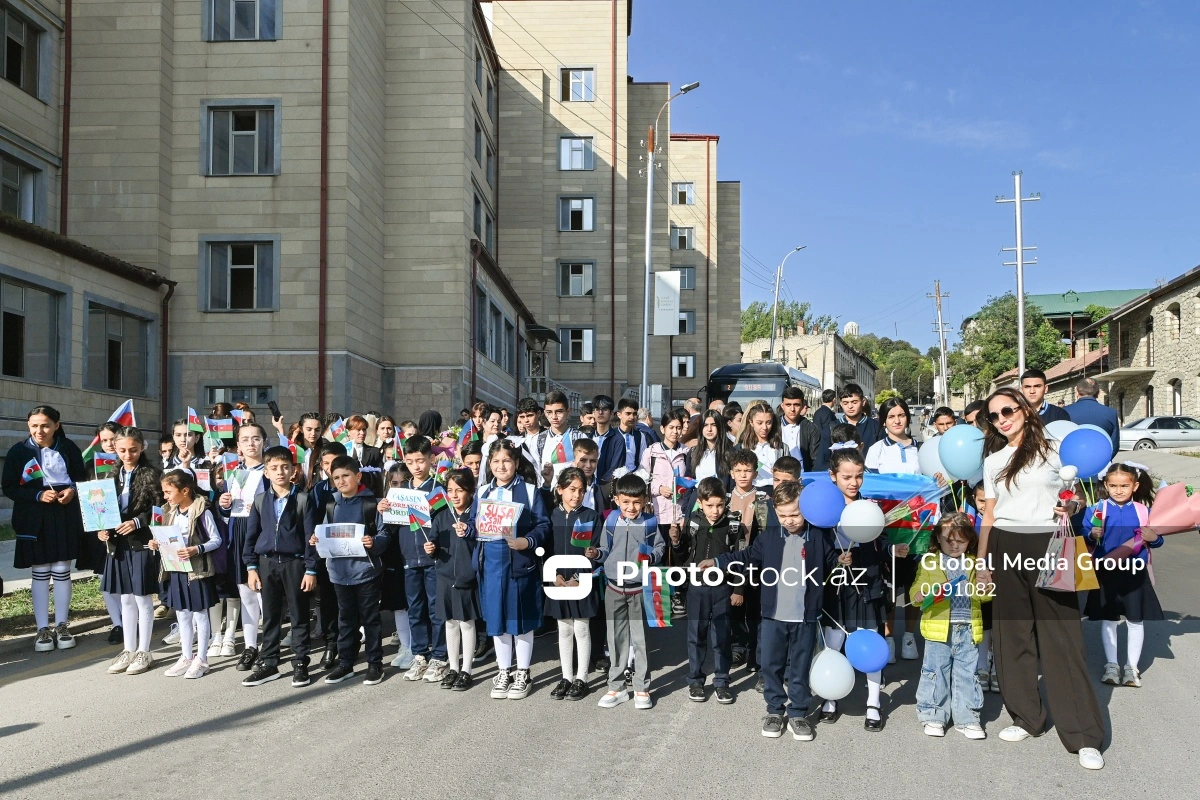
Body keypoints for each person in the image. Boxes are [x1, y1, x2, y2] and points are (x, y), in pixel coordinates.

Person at [978, 387, 1106, 770]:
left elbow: (1079, 495)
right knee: (1012, 637)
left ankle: (1084, 734)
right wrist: (982, 563)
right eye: (994, 416)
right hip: (1004, 545)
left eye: (1007, 410)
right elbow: (989, 515)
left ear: (1025, 408)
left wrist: (1072, 504)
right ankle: (1026, 717)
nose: (1002, 419)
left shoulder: (1055, 447)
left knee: (1062, 639)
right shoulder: (994, 459)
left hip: (1052, 543)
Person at [704, 480, 837, 741]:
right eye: (783, 514)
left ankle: (798, 712)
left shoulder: (819, 538)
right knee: (771, 665)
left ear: (806, 510)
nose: (789, 520)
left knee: (799, 667)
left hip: (805, 617)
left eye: (795, 514)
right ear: (775, 512)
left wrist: (843, 561)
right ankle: (775, 710)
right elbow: (745, 557)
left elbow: (832, 563)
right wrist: (718, 561)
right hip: (773, 616)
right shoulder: (768, 538)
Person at [821, 445, 906, 730]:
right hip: (837, 585)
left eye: (858, 476)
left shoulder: (870, 507)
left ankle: (873, 702)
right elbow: (818, 548)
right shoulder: (824, 509)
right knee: (833, 642)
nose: (854, 482)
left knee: (871, 641)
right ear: (833, 476)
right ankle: (829, 697)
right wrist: (835, 560)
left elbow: (879, 544)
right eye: (847, 477)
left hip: (868, 582)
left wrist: (893, 550)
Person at [3, 406, 87, 652]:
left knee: (62, 569)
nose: (40, 431)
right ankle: (42, 629)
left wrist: (72, 490)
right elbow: (9, 487)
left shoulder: (69, 448)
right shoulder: (19, 452)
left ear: (57, 425)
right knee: (40, 570)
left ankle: (62, 625)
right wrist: (38, 494)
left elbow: (81, 478)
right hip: (34, 517)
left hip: (64, 513)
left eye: (45, 425)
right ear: (28, 426)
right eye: (34, 426)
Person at [474, 439, 550, 700]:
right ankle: (504, 670)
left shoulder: (530, 491)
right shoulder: (483, 492)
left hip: (520, 561)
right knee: (497, 619)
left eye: (506, 460)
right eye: (495, 461)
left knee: (521, 618)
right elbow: (475, 525)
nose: (501, 465)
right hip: (492, 563)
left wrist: (526, 542)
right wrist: (467, 529)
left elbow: (543, 526)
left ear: (517, 463)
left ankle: (523, 671)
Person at [306, 455, 389, 685]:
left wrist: (374, 542)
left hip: (365, 572)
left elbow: (383, 535)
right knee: (345, 620)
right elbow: (324, 530)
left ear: (358, 476)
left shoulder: (372, 503)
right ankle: (346, 663)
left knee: (370, 620)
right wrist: (316, 539)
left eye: (346, 476)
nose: (341, 481)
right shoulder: (332, 505)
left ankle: (375, 663)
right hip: (339, 574)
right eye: (336, 478)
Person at [1082, 462, 1164, 688]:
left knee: (1135, 620)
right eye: (1113, 485)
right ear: (1105, 485)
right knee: (1109, 619)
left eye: (1124, 485)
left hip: (1134, 573)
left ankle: (1131, 667)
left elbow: (1158, 540)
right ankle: (1111, 665)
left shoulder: (1144, 512)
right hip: (1106, 572)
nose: (1119, 490)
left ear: (1135, 486)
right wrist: (1091, 535)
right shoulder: (1096, 510)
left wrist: (1153, 538)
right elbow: (1084, 539)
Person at [242, 446, 316, 688]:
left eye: (285, 466)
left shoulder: (303, 498)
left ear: (293, 469)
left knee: (299, 613)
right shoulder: (261, 500)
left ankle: (300, 662)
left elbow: (310, 537)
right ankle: (269, 662)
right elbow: (251, 537)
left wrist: (311, 569)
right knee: (271, 615)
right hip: (267, 563)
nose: (280, 472)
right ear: (266, 472)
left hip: (294, 563)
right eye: (274, 468)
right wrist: (252, 567)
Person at [913, 512, 991, 739]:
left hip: (967, 627)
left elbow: (983, 597)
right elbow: (917, 588)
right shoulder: (929, 562)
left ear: (970, 540)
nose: (955, 545)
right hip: (938, 628)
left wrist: (986, 589)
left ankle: (967, 718)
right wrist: (918, 594)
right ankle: (933, 715)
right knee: (935, 672)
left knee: (967, 673)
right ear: (938, 538)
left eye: (961, 540)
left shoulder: (975, 563)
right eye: (949, 540)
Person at [595, 473, 663, 710]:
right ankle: (616, 686)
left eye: (636, 502)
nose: (631, 507)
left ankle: (642, 688)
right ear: (616, 500)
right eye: (626, 502)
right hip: (613, 588)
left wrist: (652, 557)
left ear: (645, 500)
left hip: (638, 589)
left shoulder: (650, 523)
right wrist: (596, 555)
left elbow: (660, 547)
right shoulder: (611, 520)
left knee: (639, 640)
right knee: (615, 638)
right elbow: (605, 549)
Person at [100, 426, 163, 675]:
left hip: (142, 542)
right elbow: (101, 510)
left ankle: (144, 651)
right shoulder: (110, 478)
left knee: (142, 597)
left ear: (142, 448)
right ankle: (129, 648)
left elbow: (161, 507)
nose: (128, 454)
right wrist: (101, 529)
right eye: (123, 450)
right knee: (125, 597)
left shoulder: (152, 474)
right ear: (115, 448)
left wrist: (138, 521)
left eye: (133, 450)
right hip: (118, 543)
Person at [670, 477, 738, 704]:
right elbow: (683, 556)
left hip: (722, 588)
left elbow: (739, 559)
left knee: (721, 637)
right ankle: (696, 681)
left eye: (719, 505)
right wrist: (677, 542)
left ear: (725, 502)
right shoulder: (692, 522)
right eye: (710, 505)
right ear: (700, 502)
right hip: (697, 588)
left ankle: (721, 681)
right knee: (696, 636)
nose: (715, 510)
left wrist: (738, 588)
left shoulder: (733, 524)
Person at [865, 397, 922, 662]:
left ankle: (909, 637)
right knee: (889, 586)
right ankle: (888, 638)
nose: (897, 420)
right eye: (891, 416)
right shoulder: (876, 450)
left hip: (917, 526)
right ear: (883, 421)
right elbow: (871, 489)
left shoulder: (922, 449)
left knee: (912, 583)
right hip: (886, 526)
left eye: (901, 415)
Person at [154, 469, 222, 680]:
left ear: (184, 490)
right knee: (182, 612)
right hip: (177, 568)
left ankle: (201, 659)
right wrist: (157, 544)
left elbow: (216, 540)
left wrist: (196, 549)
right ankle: (186, 656)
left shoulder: (202, 511)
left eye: (168, 492)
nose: (165, 496)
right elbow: (168, 538)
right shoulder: (170, 512)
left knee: (200, 613)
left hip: (197, 571)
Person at [215, 422, 269, 669]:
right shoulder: (232, 475)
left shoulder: (271, 472)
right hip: (239, 535)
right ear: (238, 445)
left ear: (264, 442)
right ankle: (250, 646)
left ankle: (270, 646)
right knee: (246, 593)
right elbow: (225, 514)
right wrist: (224, 504)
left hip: (263, 535)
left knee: (264, 594)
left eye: (256, 438)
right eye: (245, 439)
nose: (251, 443)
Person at [396, 436, 450, 682]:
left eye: (421, 460)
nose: (416, 466)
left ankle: (440, 656)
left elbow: (446, 524)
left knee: (435, 608)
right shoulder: (401, 492)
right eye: (410, 461)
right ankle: (420, 654)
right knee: (415, 609)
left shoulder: (438, 489)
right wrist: (383, 509)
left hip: (433, 559)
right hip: (409, 558)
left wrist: (436, 544)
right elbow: (391, 526)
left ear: (431, 459)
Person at [546, 467, 602, 701]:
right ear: (559, 490)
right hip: (558, 581)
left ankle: (582, 677)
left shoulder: (591, 516)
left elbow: (597, 549)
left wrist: (580, 574)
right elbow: (545, 550)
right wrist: (554, 576)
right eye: (571, 490)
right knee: (564, 628)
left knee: (581, 627)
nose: (576, 495)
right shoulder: (551, 516)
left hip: (582, 580)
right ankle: (566, 676)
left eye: (581, 490)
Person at [428, 468, 480, 691]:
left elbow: (480, 541)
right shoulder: (441, 515)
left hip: (466, 577)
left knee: (466, 623)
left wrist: (469, 530)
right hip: (444, 576)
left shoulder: (476, 516)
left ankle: (467, 669)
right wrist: (431, 548)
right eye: (450, 490)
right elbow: (433, 542)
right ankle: (454, 667)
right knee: (449, 622)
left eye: (460, 490)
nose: (455, 495)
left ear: (470, 491)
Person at [77, 420, 125, 642]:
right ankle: (117, 624)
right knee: (106, 580)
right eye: (104, 440)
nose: (108, 444)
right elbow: (89, 502)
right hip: (101, 533)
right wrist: (98, 528)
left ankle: (129, 619)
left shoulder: (129, 465)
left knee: (125, 581)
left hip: (125, 530)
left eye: (112, 439)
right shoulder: (91, 469)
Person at [726, 449, 769, 680]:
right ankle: (737, 648)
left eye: (748, 471)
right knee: (733, 611)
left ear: (755, 472)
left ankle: (755, 656)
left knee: (755, 612)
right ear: (732, 473)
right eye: (739, 471)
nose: (743, 475)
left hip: (754, 564)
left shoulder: (762, 500)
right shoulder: (723, 498)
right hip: (729, 563)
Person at [309, 441, 347, 667]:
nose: (331, 468)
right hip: (327, 553)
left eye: (335, 463)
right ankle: (331, 644)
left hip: (351, 554)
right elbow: (312, 520)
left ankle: (348, 640)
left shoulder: (356, 487)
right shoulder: (318, 489)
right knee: (328, 601)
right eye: (326, 463)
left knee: (349, 602)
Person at [376, 461, 414, 671]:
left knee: (414, 603)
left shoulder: (416, 501)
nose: (399, 487)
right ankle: (405, 646)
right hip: (393, 559)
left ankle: (416, 647)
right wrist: (381, 511)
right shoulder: (383, 504)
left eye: (404, 482)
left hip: (412, 557)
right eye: (394, 483)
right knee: (398, 604)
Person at [641, 408, 691, 539]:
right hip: (657, 512)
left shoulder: (687, 452)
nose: (675, 431)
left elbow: (691, 478)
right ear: (663, 429)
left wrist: (683, 489)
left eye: (678, 428)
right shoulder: (651, 452)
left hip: (679, 512)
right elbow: (642, 480)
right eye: (671, 427)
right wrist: (659, 488)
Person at [527, 391, 579, 486]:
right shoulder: (538, 440)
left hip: (573, 495)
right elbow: (536, 473)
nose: (554, 417)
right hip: (547, 493)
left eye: (559, 411)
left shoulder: (579, 438)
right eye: (549, 412)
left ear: (568, 412)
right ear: (545, 413)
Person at [1064, 377, 1121, 458]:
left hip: (1071, 463)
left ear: (1077, 392)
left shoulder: (1064, 412)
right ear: (1098, 393)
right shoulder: (1111, 413)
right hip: (1102, 463)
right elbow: (1114, 445)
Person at [736, 400, 786, 488]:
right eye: (759, 423)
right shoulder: (741, 447)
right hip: (751, 490)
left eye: (768, 423)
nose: (764, 427)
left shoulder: (782, 447)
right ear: (751, 422)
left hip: (776, 491)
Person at [779, 386, 820, 471]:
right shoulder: (774, 426)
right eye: (788, 405)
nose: (792, 409)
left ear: (802, 406)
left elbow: (815, 459)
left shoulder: (811, 428)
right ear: (782, 406)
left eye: (796, 405)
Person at [690, 410, 735, 482]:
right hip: (697, 492)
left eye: (714, 425)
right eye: (705, 425)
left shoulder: (730, 452)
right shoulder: (693, 452)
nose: (709, 429)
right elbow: (689, 478)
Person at [344, 415, 385, 496]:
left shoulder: (374, 452)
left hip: (369, 495)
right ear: (348, 431)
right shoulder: (342, 450)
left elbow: (380, 476)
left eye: (364, 429)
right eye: (358, 430)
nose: (362, 433)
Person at [590, 395, 626, 484]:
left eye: (604, 409)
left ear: (611, 414)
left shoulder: (618, 439)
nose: (600, 412)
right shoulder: (587, 437)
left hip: (606, 487)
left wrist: (600, 484)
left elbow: (616, 467)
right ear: (593, 413)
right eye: (597, 409)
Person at [615, 398, 655, 475]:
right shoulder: (612, 435)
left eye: (634, 414)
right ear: (619, 415)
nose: (632, 417)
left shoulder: (640, 436)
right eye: (628, 413)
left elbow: (642, 461)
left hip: (633, 480)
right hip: (614, 479)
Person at [839, 384, 881, 450]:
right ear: (841, 404)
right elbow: (823, 457)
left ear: (863, 402)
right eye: (845, 403)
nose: (850, 406)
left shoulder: (875, 427)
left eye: (854, 402)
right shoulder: (831, 427)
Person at [813, 389, 839, 471]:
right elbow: (828, 433)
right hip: (825, 450)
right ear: (834, 399)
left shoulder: (817, 412)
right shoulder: (828, 413)